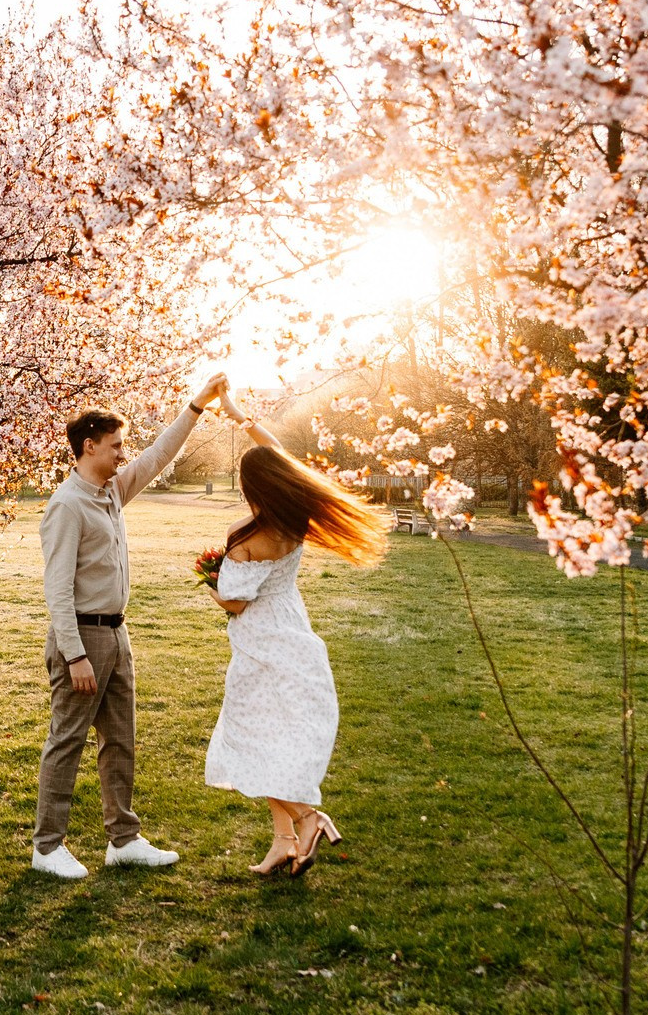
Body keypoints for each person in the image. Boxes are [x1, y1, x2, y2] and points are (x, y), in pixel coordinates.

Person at [29, 374, 226, 879]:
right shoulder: (67, 505)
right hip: (83, 638)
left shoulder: (112, 491)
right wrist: (74, 655)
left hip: (117, 634)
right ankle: (48, 848)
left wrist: (196, 405)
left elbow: (159, 456)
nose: (123, 454)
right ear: (88, 446)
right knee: (67, 740)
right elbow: (57, 590)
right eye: (115, 446)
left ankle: (124, 840)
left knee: (120, 740)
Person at [201, 384, 388, 875]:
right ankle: (283, 840)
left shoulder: (247, 535)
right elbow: (276, 451)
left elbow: (236, 602)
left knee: (250, 737)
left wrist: (206, 580)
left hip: (261, 642)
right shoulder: (294, 516)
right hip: (293, 629)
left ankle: (307, 819)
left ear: (250, 489)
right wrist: (238, 415)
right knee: (271, 741)